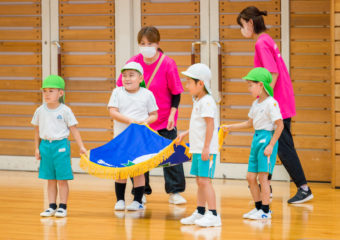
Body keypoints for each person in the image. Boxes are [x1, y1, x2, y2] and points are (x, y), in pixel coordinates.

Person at [237, 6, 313, 204]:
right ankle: (266, 188)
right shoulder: (267, 39)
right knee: (271, 143)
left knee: (283, 147)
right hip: (282, 99)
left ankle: (303, 188)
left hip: (277, 103)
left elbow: (273, 74)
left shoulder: (261, 44)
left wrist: (263, 100)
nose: (242, 29)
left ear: (250, 23)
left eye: (242, 25)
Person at [116, 26, 186, 205]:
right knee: (139, 158)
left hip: (162, 118)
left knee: (170, 155)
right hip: (139, 120)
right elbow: (121, 87)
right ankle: (141, 192)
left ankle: (175, 191)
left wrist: (172, 114)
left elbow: (176, 92)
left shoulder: (168, 63)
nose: (146, 46)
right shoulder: (133, 62)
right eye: (142, 43)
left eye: (150, 43)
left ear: (157, 44)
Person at [224, 68, 283, 219]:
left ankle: (265, 211)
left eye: (251, 85)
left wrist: (271, 145)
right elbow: (249, 123)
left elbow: (280, 125)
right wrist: (230, 127)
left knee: (263, 178)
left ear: (261, 85)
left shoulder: (271, 103)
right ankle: (258, 208)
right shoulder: (255, 103)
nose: (248, 88)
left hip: (266, 140)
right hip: (256, 140)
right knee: (250, 177)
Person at [32, 75, 87, 218]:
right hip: (45, 146)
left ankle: (63, 206)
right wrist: (37, 148)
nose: (47, 94)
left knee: (62, 179)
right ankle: (51, 206)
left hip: (61, 146)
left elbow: (74, 129)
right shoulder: (40, 110)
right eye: (44, 91)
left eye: (51, 91)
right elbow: (37, 131)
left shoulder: (65, 110)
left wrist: (81, 146)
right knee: (50, 178)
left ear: (60, 93)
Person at [108, 62, 158, 211]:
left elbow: (154, 115)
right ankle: (120, 200)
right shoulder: (117, 92)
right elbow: (113, 112)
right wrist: (131, 121)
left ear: (140, 77)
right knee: (121, 170)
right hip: (121, 138)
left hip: (139, 140)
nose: (127, 78)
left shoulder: (147, 94)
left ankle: (137, 201)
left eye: (131, 75)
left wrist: (144, 122)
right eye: (124, 76)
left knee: (138, 170)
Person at [177, 63, 221, 227]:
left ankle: (214, 215)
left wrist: (206, 148)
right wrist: (184, 134)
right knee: (199, 181)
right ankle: (200, 211)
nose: (186, 86)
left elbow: (210, 125)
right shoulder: (198, 100)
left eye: (189, 82)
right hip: (197, 148)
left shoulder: (207, 101)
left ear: (200, 84)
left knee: (205, 181)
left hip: (205, 150)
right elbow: (198, 124)